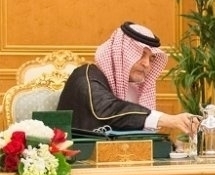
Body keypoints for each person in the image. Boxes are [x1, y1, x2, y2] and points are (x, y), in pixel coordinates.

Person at [57, 22, 198, 134]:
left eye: (151, 58)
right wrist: (168, 120)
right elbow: (109, 110)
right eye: (141, 54)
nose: (146, 64)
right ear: (120, 53)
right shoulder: (85, 77)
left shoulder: (132, 87)